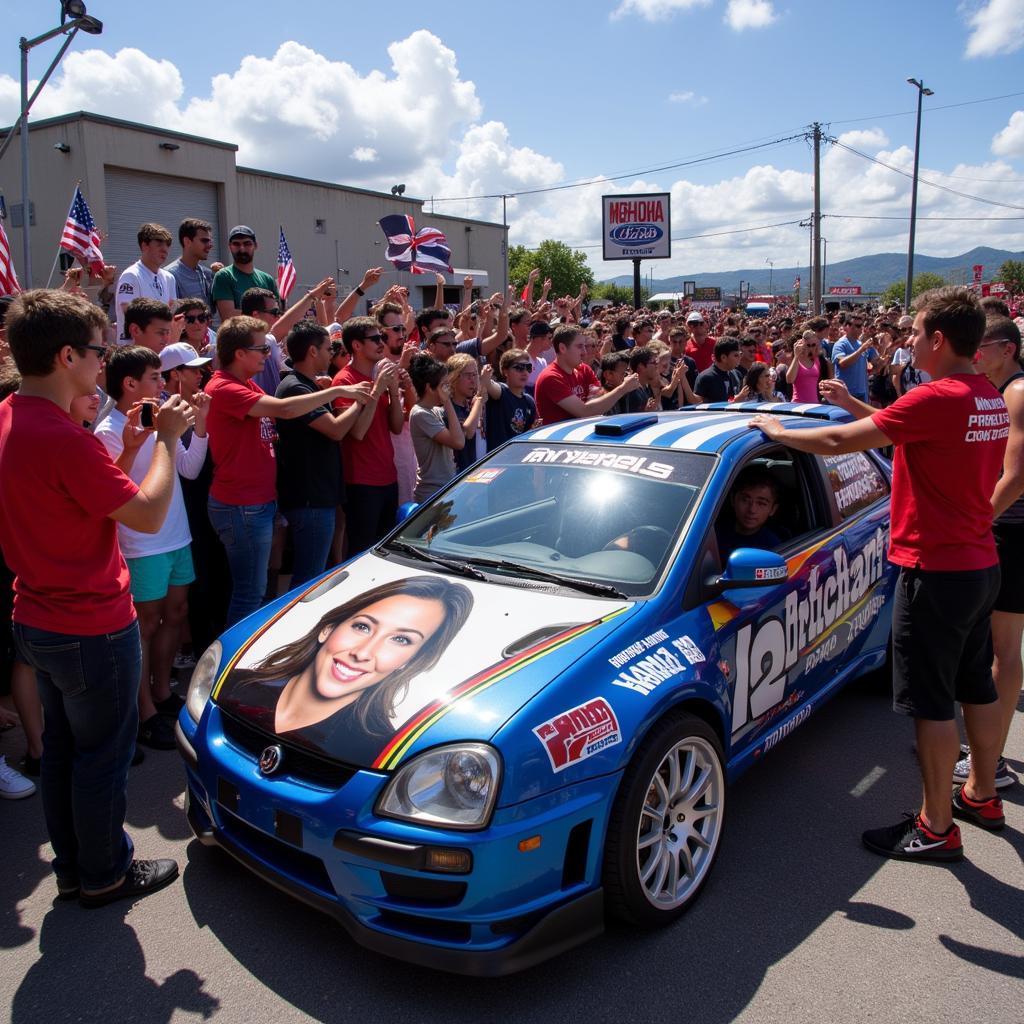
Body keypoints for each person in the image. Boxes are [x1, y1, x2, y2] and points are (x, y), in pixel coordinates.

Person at [752, 287, 1008, 861]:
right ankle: (983, 794)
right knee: (976, 686)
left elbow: (842, 441)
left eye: (916, 333)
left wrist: (778, 432)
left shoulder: (936, 397)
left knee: (933, 704)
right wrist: (854, 406)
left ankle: (936, 826)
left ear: (938, 340)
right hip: (978, 563)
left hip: (936, 569)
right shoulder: (986, 394)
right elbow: (903, 430)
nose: (910, 341)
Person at [0, 288, 193, 906]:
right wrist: (165, 438)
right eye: (96, 351)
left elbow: (73, 501)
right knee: (101, 759)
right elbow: (147, 509)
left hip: (36, 614)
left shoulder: (11, 415)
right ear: (65, 356)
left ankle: (76, 868)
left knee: (61, 751)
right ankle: (106, 872)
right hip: (90, 625)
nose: (102, 362)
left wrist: (132, 448)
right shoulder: (65, 438)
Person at [206, 316, 371, 625]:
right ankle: (237, 667)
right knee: (249, 593)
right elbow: (286, 408)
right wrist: (334, 393)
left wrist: (317, 387)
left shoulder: (245, 383)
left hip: (257, 502)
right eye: (261, 350)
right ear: (239, 353)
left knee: (260, 590)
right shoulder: (225, 387)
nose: (269, 355)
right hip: (242, 504)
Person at [216, 577, 474, 763]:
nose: (363, 652)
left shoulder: (379, 749)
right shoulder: (237, 685)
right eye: (362, 626)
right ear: (328, 628)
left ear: (408, 662)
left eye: (401, 640)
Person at [94, 347, 210, 749]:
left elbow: (190, 469)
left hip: (177, 535)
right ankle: (143, 711)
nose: (164, 385)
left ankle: (162, 694)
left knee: (175, 616)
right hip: (141, 544)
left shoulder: (165, 422)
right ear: (130, 384)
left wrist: (199, 425)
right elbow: (115, 495)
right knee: (144, 626)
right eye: (156, 378)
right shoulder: (108, 431)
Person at [960, 315, 1024, 789]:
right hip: (1005, 530)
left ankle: (993, 761)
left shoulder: (1017, 393)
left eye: (982, 346)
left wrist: (978, 523)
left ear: (1007, 348)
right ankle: (987, 749)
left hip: (1011, 532)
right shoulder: (999, 393)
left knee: (1001, 650)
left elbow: (1017, 475)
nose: (975, 354)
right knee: (993, 647)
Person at [275, 322, 365, 587]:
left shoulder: (309, 385)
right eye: (328, 349)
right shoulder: (295, 387)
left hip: (318, 496)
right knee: (308, 579)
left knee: (312, 572)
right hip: (309, 500)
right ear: (313, 351)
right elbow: (336, 430)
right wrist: (359, 400)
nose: (331, 354)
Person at [535, 325, 640, 425]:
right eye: (580, 347)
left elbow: (599, 402)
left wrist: (594, 404)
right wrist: (622, 389)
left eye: (585, 347)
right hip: (558, 441)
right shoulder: (551, 377)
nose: (584, 352)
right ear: (562, 348)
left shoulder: (584, 370)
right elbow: (585, 412)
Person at [409, 354, 465, 502]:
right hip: (431, 494)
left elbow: (465, 433)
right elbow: (458, 442)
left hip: (445, 489)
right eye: (444, 385)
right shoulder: (420, 414)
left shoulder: (435, 411)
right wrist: (447, 402)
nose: (449, 388)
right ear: (429, 387)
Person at [114, 223, 178, 341]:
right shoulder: (131, 275)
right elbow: (129, 311)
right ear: (144, 246)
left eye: (167, 245)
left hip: (160, 349)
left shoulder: (169, 278)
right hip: (134, 351)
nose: (165, 249)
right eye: (159, 244)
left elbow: (171, 313)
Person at [211, 226, 280, 322]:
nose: (242, 249)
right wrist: (266, 315)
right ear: (229, 246)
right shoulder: (224, 276)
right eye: (236, 244)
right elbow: (228, 316)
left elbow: (277, 313)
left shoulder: (267, 279)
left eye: (247, 244)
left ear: (255, 245)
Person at [446, 353, 497, 473]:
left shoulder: (472, 404)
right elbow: (468, 432)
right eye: (468, 376)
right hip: (457, 477)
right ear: (453, 377)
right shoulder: (447, 407)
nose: (473, 380)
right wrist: (480, 397)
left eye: (475, 375)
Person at [715, 467, 782, 559]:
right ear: (733, 499)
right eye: (745, 500)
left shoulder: (772, 547)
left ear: (772, 509)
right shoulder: (715, 531)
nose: (752, 510)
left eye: (761, 503)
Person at [485, 348, 537, 449]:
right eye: (519, 367)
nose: (525, 372)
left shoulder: (529, 401)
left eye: (528, 367)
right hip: (497, 458)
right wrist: (486, 374)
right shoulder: (501, 391)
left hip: (517, 457)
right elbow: (488, 384)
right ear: (505, 371)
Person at [165, 218, 214, 310]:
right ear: (187, 241)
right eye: (204, 241)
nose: (210, 245)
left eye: (210, 241)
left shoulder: (208, 274)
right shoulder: (170, 276)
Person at [831, 314, 877, 402]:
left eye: (861, 325)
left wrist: (886, 356)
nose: (860, 329)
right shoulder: (841, 344)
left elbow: (873, 367)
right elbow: (842, 363)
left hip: (862, 393)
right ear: (847, 327)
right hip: (847, 394)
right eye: (857, 326)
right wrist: (860, 350)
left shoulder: (860, 344)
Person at [785, 331, 832, 403]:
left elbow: (829, 378)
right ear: (802, 344)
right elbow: (789, 380)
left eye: (813, 345)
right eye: (808, 345)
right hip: (798, 403)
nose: (811, 347)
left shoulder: (817, 359)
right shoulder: (796, 359)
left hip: (814, 403)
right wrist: (796, 356)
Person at [693, 338, 742, 403]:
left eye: (740, 354)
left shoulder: (736, 375)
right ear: (723, 358)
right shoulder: (706, 378)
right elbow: (697, 403)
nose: (739, 358)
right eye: (736, 355)